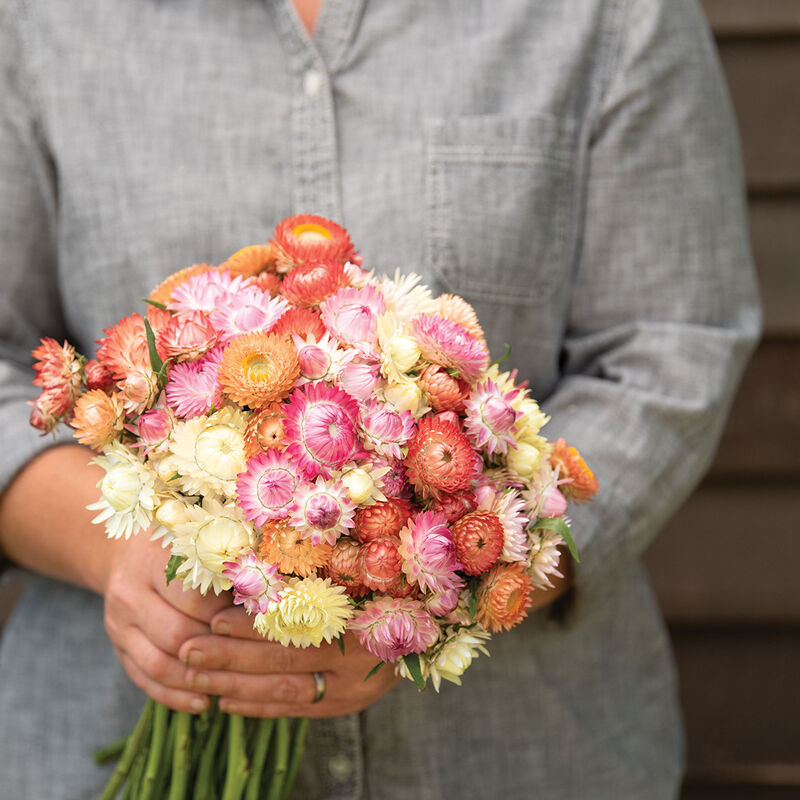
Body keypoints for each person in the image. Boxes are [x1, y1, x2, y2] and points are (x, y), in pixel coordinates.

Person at [0, 0, 760, 798]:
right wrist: (122, 549)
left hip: (519, 753)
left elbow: (673, 341)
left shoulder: (612, 16)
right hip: (90, 717)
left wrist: (453, 586)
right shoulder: (41, 19)